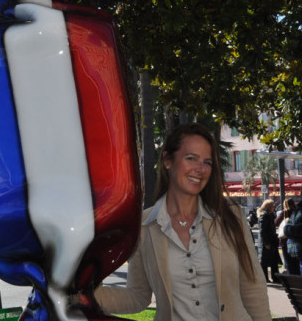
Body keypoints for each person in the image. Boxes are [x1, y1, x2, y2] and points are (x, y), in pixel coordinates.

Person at [94, 123, 271, 320]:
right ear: (168, 160)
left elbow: (253, 288)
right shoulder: (144, 226)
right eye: (191, 158)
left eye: (207, 162)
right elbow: (138, 296)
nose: (200, 169)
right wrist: (85, 295)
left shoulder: (230, 216)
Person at [257, 199, 282, 283]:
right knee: (265, 262)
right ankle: (265, 278)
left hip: (271, 241)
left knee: (273, 260)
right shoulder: (264, 216)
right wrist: (266, 243)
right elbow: (262, 231)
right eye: (272, 205)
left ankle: (275, 278)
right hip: (266, 242)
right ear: (269, 207)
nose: (274, 207)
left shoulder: (270, 215)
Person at [276, 198, 299, 275]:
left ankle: (291, 277)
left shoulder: (284, 212)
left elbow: (276, 222)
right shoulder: (297, 211)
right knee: (296, 261)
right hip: (296, 239)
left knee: (288, 261)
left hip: (285, 241)